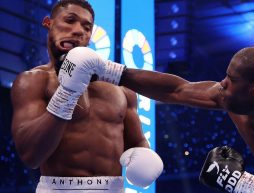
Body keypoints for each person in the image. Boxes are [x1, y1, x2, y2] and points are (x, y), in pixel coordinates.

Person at [115, 45, 254, 192]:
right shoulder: (232, 99)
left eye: (231, 79)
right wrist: (115, 73)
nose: (222, 83)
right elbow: (176, 90)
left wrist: (242, 183)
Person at [10, 1, 162, 193]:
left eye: (86, 27)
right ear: (49, 23)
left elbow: (137, 141)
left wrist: (144, 155)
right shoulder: (33, 81)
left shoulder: (119, 86)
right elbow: (31, 156)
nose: (78, 30)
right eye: (70, 20)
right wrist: (67, 93)